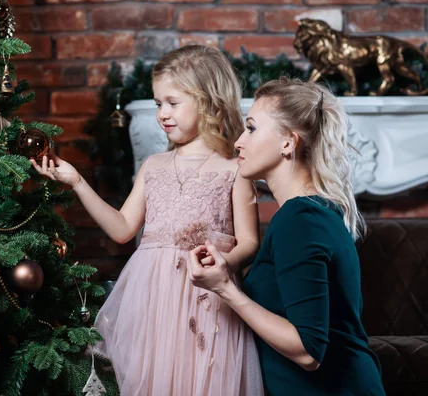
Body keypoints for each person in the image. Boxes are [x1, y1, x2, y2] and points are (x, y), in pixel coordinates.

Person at [31, 45, 264, 395]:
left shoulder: (234, 169)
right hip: (152, 303)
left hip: (207, 300)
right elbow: (123, 229)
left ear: (207, 100)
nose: (163, 114)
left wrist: (222, 264)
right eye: (157, 104)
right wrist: (77, 181)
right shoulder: (154, 166)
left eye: (172, 102)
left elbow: (249, 242)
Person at [187, 77, 386, 396]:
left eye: (251, 128)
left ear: (288, 143)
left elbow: (307, 352)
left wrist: (225, 287)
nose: (238, 142)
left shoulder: (300, 218)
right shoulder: (315, 211)